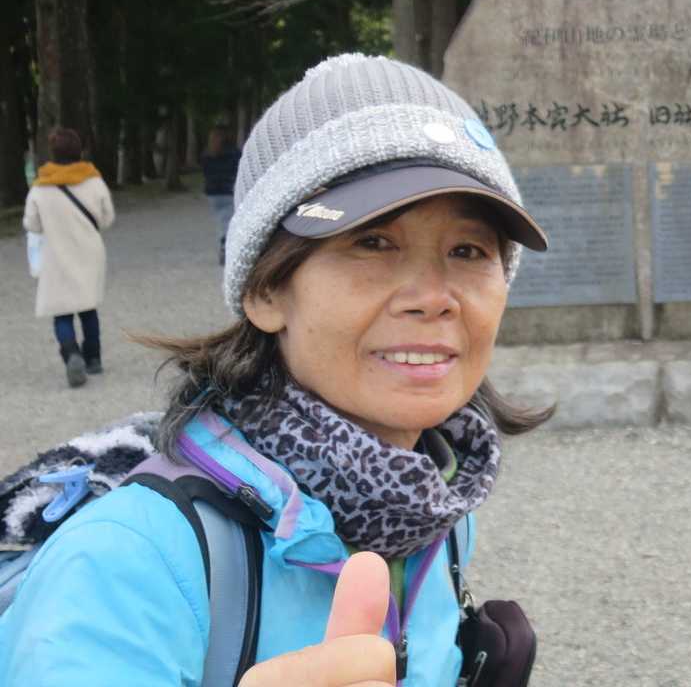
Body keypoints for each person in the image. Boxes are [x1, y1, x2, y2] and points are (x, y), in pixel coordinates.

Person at [0, 54, 551, 685]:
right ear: (264, 291)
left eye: (468, 250)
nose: (433, 296)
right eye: (372, 242)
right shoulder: (127, 563)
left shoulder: (435, 505)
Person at [23, 126, 116, 387]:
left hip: (56, 254)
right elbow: (107, 218)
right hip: (89, 252)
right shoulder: (94, 181)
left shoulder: (40, 187)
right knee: (88, 307)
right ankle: (93, 358)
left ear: (53, 153)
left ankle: (71, 353)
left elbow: (32, 224)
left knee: (61, 312)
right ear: (79, 151)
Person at [200, 124, 243, 265]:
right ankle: (226, 246)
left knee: (221, 220)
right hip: (228, 191)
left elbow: (206, 173)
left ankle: (224, 245)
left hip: (213, 193)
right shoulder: (234, 154)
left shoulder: (207, 155)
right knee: (228, 221)